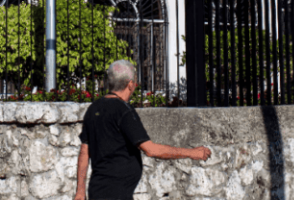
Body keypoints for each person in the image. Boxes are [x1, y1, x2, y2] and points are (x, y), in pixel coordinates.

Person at [74, 60, 211, 200]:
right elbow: (150, 149)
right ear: (130, 85)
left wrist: (80, 191)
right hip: (116, 193)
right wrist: (191, 153)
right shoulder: (123, 111)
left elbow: (85, 151)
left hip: (98, 191)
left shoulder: (93, 109)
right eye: (134, 82)